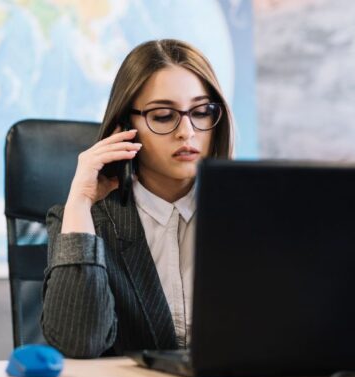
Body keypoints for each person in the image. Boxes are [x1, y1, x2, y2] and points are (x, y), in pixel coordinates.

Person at [41, 39, 235, 358]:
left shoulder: (244, 216)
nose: (187, 132)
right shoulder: (89, 222)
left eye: (201, 112)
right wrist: (79, 203)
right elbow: (79, 343)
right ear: (125, 127)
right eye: (163, 116)